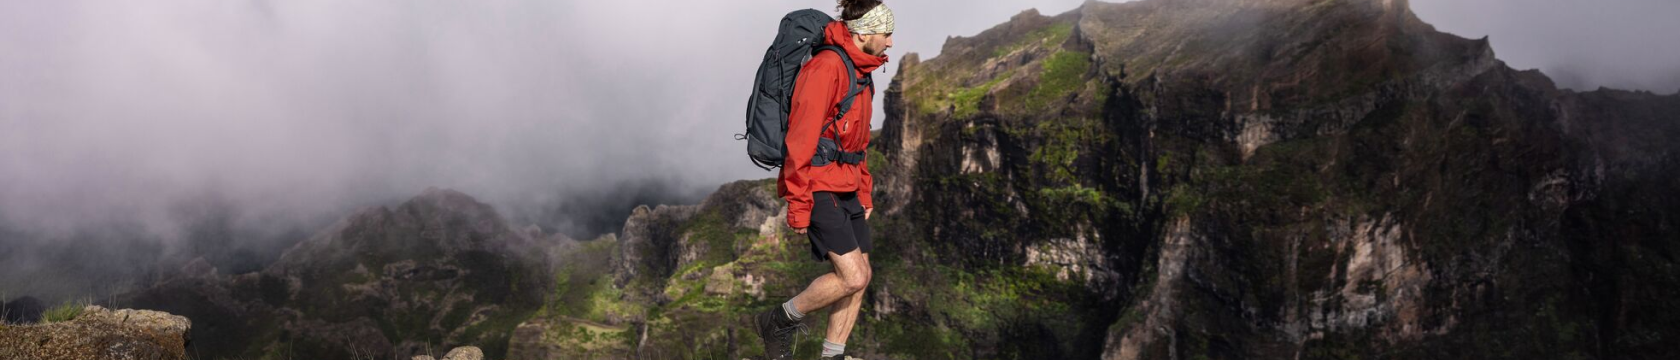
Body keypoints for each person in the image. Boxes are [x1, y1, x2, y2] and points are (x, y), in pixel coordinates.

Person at [753, 1, 894, 359]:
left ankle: (833, 354)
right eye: (886, 34)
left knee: (864, 272)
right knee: (853, 277)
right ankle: (779, 319)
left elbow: (856, 141)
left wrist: (863, 189)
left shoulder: (862, 70)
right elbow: (800, 140)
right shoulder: (826, 67)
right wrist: (798, 205)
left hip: (846, 183)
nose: (891, 42)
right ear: (863, 33)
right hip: (817, 184)